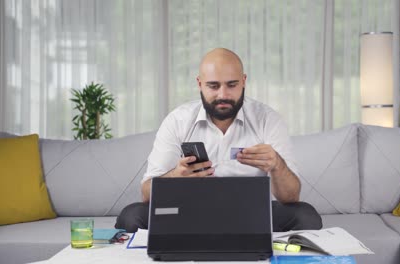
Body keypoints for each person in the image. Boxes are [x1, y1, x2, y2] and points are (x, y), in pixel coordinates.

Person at [115, 48, 322, 232]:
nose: (223, 94)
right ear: (199, 84)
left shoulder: (268, 119)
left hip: (252, 213)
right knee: (131, 216)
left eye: (231, 85)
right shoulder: (177, 120)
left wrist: (276, 164)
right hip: (188, 211)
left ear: (244, 81)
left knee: (306, 216)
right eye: (213, 86)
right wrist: (176, 176)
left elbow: (291, 197)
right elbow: (147, 194)